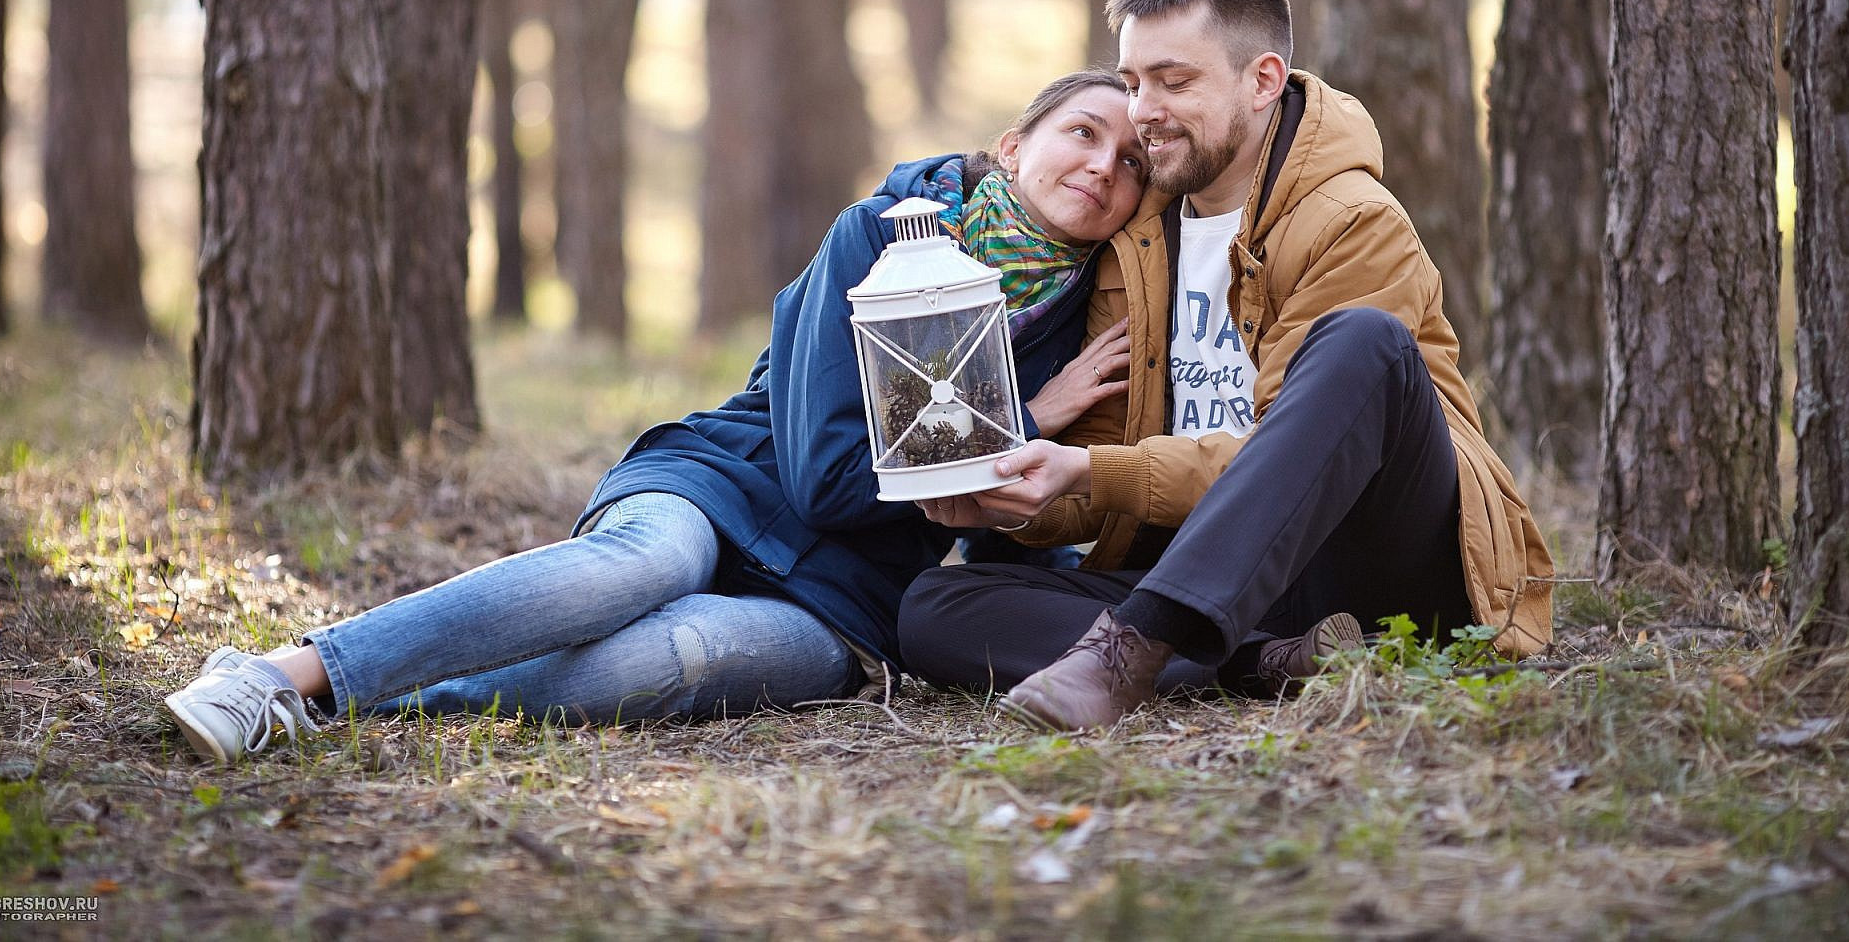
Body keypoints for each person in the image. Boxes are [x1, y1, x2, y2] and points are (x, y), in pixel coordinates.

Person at [164, 70, 1148, 764]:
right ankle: (280, 677)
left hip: (843, 602)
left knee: (679, 650)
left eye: (1133, 161)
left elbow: (1005, 550)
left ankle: (343, 697)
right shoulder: (880, 240)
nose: (1105, 165)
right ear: (1015, 145)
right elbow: (821, 475)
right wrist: (1022, 424)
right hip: (721, 485)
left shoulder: (1083, 331)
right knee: (644, 570)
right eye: (1082, 133)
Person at [898, 0, 1555, 731]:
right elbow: (1104, 465)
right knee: (935, 606)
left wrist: (1090, 469)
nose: (1143, 110)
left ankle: (1133, 653)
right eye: (1134, 81)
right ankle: (1268, 660)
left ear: (1263, 81)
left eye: (1175, 82)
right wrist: (1011, 500)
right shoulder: (1137, 240)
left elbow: (1283, 462)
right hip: (1224, 591)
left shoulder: (1350, 218)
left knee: (1365, 342)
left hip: (1371, 556)